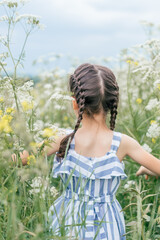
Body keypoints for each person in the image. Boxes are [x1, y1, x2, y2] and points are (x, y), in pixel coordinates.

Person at [11, 63, 160, 240]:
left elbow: (17, 160)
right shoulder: (123, 143)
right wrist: (148, 168)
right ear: (113, 103)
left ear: (75, 102)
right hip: (108, 225)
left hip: (68, 223)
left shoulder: (62, 138)